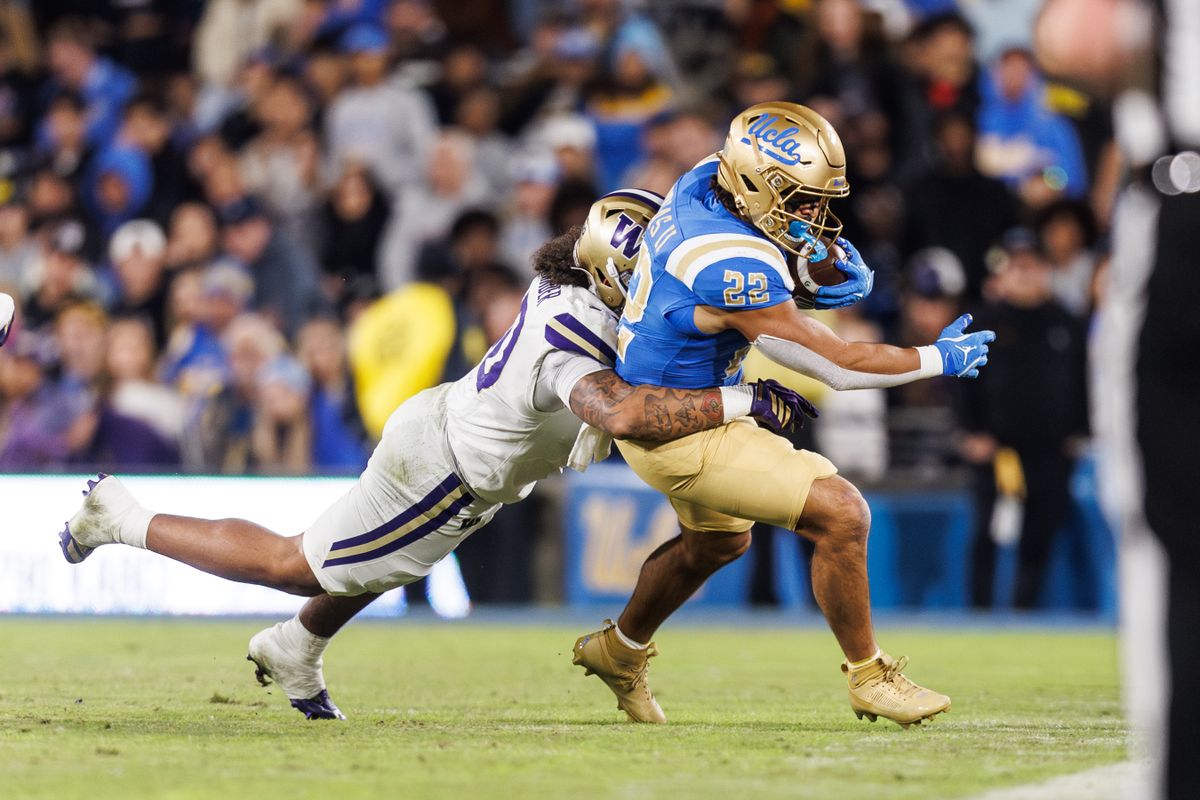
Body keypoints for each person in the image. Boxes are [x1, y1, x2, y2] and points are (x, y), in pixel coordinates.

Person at [58, 190, 810, 720]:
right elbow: (620, 411)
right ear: (616, 276)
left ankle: (297, 647)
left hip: (450, 443)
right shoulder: (577, 332)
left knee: (387, 559)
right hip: (443, 469)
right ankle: (119, 516)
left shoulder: (581, 286)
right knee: (298, 565)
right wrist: (743, 401)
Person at [570, 102, 995, 727]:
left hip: (682, 398)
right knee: (842, 514)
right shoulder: (725, 258)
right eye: (800, 201)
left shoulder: (704, 179)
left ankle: (619, 648)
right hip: (680, 423)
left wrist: (797, 279)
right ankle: (870, 676)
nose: (815, 219)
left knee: (715, 544)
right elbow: (836, 364)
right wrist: (936, 357)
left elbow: (731, 298)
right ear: (753, 184)